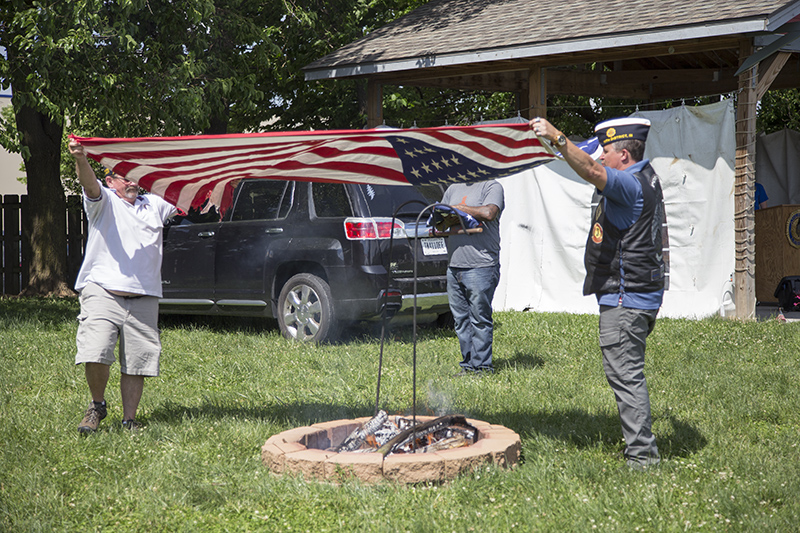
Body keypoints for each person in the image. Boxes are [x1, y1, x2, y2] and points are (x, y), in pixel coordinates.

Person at [529, 116, 668, 470]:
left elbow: (590, 169)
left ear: (623, 155)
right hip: (640, 295)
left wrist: (556, 136)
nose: (602, 156)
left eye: (607, 150)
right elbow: (588, 161)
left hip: (626, 298)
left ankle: (643, 459)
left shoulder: (629, 185)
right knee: (626, 372)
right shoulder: (647, 176)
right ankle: (642, 451)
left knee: (626, 375)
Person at [69, 139, 177, 433]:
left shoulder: (153, 204)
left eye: (135, 175)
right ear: (110, 180)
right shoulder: (103, 201)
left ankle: (129, 420)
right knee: (96, 350)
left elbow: (183, 192)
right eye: (124, 175)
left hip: (144, 296)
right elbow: (90, 185)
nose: (132, 181)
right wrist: (81, 159)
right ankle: (97, 405)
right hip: (102, 291)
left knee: (138, 362)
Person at [440, 180, 504, 376]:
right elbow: (439, 221)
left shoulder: (492, 187)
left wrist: (459, 209)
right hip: (454, 265)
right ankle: (468, 366)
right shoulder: (452, 189)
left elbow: (489, 213)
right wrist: (448, 219)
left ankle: (482, 368)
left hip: (481, 265)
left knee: (479, 319)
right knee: (461, 320)